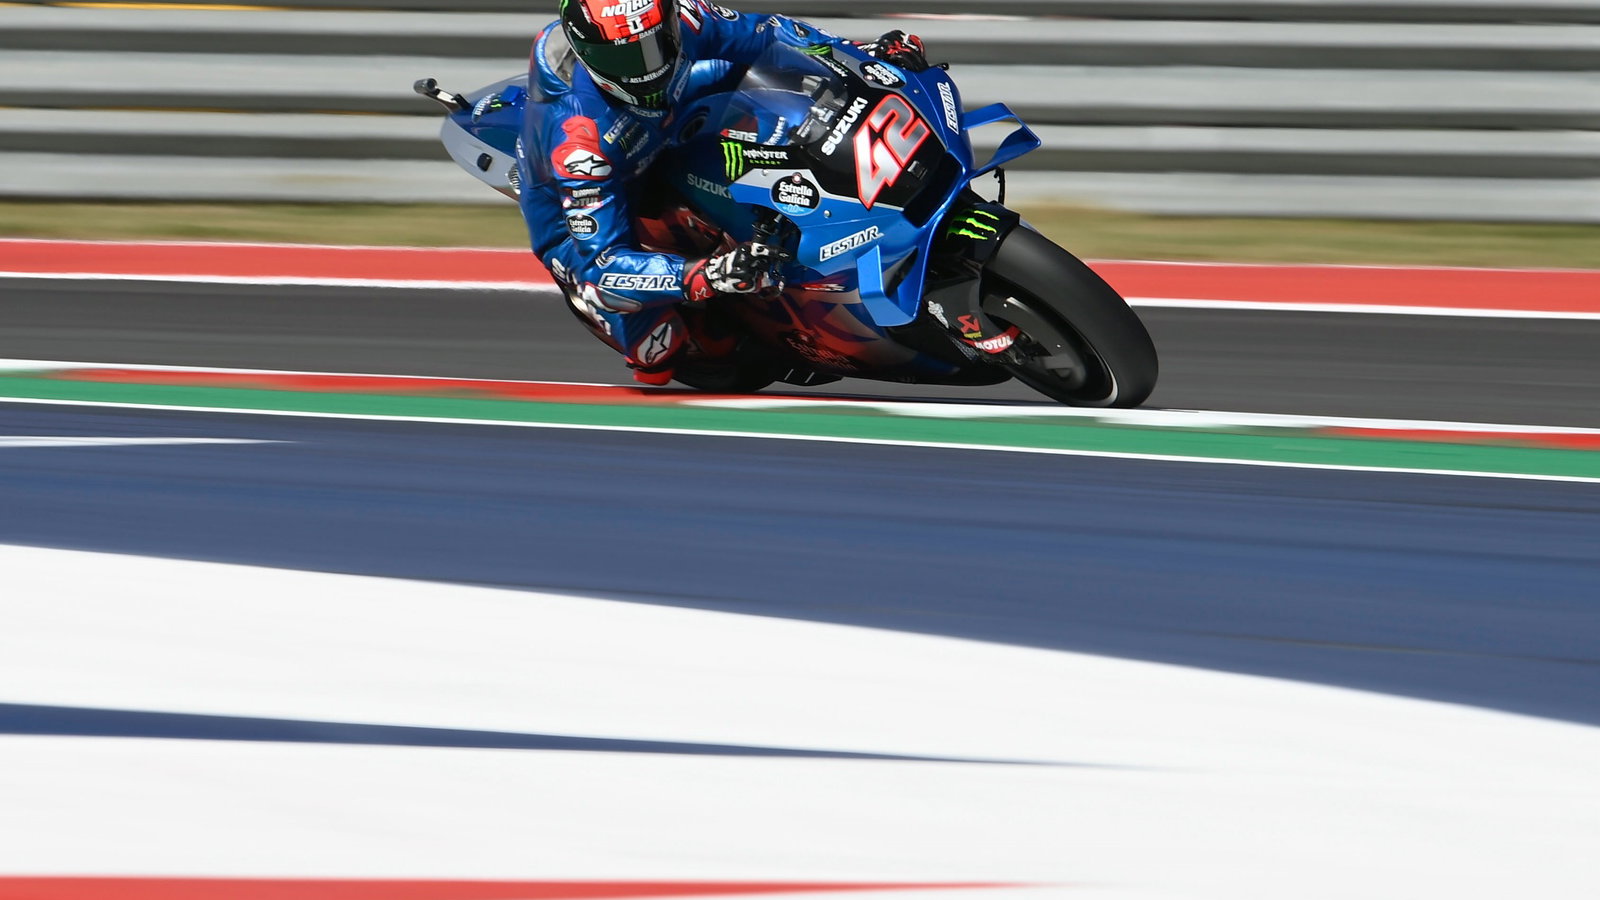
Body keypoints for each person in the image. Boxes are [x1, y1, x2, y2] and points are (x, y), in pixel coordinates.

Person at [516, 0, 930, 384]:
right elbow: (603, 265)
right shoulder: (579, 145)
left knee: (780, 76)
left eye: (655, 44)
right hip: (587, 206)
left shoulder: (683, 17)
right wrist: (706, 276)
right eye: (626, 57)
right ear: (589, 55)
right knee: (656, 354)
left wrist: (856, 54)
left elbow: (771, 33)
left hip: (672, 120)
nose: (647, 67)